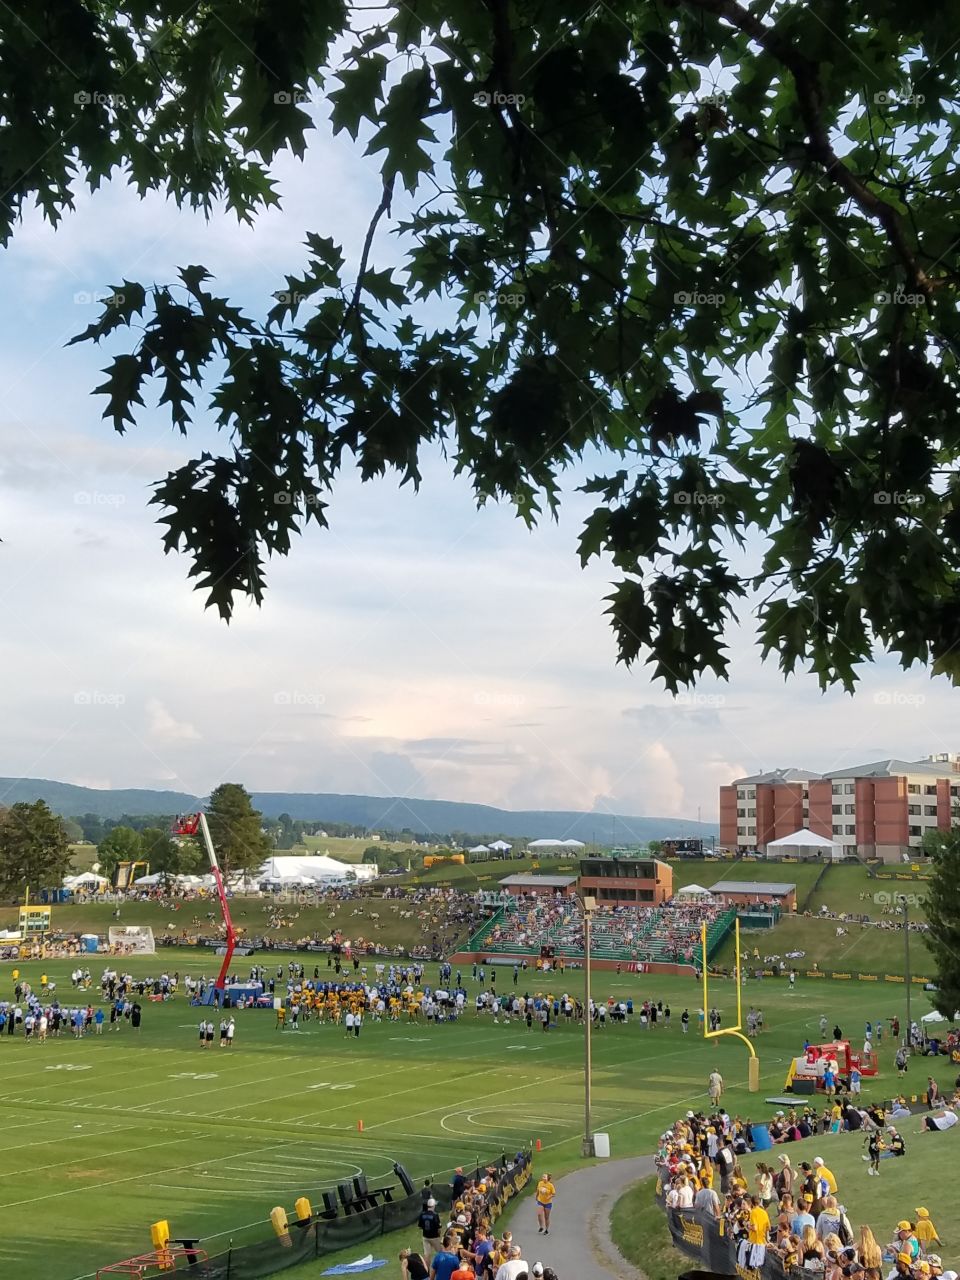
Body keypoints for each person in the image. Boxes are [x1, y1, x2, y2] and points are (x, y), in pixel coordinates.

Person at [418, 1198, 442, 1264]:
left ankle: (427, 1270)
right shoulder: (435, 1215)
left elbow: (420, 1227)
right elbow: (439, 1228)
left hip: (425, 1237)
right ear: (433, 1206)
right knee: (440, 1253)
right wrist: (439, 1235)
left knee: (427, 1254)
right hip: (434, 1237)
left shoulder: (422, 1214)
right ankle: (440, 1266)